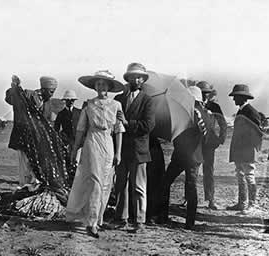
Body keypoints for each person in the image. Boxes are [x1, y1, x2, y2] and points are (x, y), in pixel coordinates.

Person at [66, 71, 125, 238]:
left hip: (108, 143)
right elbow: (80, 129)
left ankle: (98, 218)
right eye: (98, 84)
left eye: (104, 84)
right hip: (92, 142)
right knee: (94, 182)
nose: (101, 87)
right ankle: (91, 222)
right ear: (95, 87)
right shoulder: (89, 105)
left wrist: (118, 152)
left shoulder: (116, 106)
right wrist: (75, 148)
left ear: (109, 87)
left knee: (106, 183)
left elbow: (119, 130)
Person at [157, 86, 212, 230]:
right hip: (189, 156)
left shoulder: (197, 113)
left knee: (170, 183)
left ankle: (167, 218)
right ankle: (187, 222)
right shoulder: (201, 112)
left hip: (186, 156)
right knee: (188, 187)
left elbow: (204, 134)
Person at [113, 63, 156, 232]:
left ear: (143, 80)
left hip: (139, 150)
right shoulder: (119, 99)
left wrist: (127, 123)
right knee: (120, 185)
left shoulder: (148, 100)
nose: (136, 79)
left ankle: (139, 221)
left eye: (139, 77)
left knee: (138, 186)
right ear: (128, 79)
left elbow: (149, 125)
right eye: (133, 76)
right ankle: (121, 218)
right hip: (122, 148)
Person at [5, 75, 60, 189]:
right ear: (43, 89)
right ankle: (24, 188)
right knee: (24, 166)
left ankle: (33, 188)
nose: (52, 94)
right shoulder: (28, 94)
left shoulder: (48, 103)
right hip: (23, 137)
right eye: (51, 91)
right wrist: (15, 88)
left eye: (53, 92)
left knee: (35, 166)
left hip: (37, 141)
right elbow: (10, 99)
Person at [226, 84, 263, 213]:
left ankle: (251, 205)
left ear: (242, 97)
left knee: (249, 176)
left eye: (235, 97)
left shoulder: (251, 112)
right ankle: (242, 203)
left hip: (247, 150)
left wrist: (248, 145)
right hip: (240, 150)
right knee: (240, 175)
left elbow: (258, 132)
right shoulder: (242, 111)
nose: (233, 99)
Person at [196, 80, 228, 210]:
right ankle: (188, 199)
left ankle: (211, 200)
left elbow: (223, 124)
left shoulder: (215, 107)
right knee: (192, 171)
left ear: (210, 94)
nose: (204, 96)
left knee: (208, 171)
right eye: (202, 93)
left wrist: (221, 139)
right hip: (196, 144)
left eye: (207, 93)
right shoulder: (193, 105)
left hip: (209, 144)